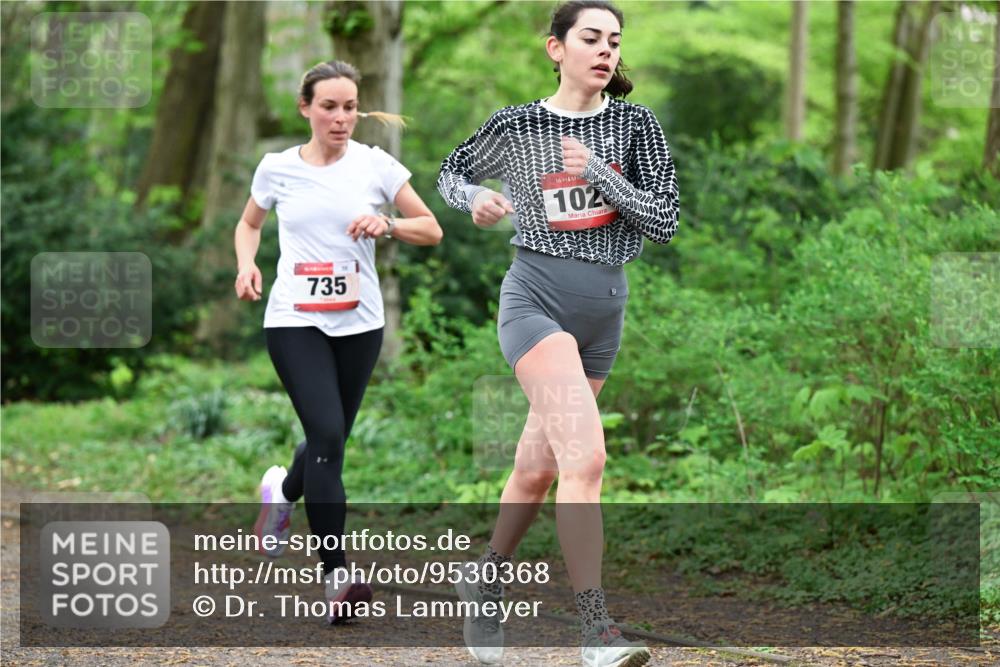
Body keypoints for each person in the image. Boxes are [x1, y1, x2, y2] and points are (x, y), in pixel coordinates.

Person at [437, 1, 678, 665]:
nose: (605, 51)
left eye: (614, 42)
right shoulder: (519, 124)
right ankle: (596, 633)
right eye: (591, 38)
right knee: (586, 460)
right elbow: (450, 172)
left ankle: (484, 579)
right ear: (556, 48)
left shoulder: (634, 125)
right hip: (535, 303)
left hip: (604, 311)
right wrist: (473, 199)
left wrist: (598, 172)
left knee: (537, 469)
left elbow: (663, 222)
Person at [235, 60, 442, 624]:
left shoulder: (376, 166)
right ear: (306, 108)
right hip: (293, 320)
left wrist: (388, 224)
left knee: (331, 440)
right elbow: (249, 223)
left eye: (350, 107)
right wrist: (247, 264)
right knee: (327, 437)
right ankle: (336, 578)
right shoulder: (277, 168)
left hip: (360, 324)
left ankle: (282, 492)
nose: (341, 117)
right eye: (329, 106)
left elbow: (430, 228)